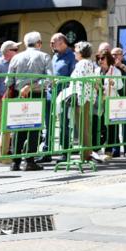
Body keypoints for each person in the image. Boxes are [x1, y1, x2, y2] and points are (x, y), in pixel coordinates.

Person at [6, 32, 51, 171]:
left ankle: (15, 161)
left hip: (19, 95)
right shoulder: (44, 56)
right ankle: (30, 161)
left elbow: (8, 80)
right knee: (34, 127)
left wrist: (21, 88)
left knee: (19, 127)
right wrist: (32, 86)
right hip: (37, 94)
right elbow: (50, 78)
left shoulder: (16, 57)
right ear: (39, 43)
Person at [44, 33, 76, 161]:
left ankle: (65, 151)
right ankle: (47, 151)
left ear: (62, 42)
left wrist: (62, 81)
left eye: (53, 42)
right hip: (50, 93)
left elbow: (73, 76)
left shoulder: (72, 57)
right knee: (48, 123)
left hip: (64, 95)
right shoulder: (54, 56)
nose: (51, 44)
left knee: (64, 123)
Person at [71, 41, 103, 163]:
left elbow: (81, 81)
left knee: (82, 126)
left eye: (76, 50)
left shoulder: (82, 63)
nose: (74, 52)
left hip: (82, 98)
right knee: (85, 126)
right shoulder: (89, 63)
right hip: (86, 97)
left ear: (80, 52)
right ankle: (87, 152)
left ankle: (86, 154)